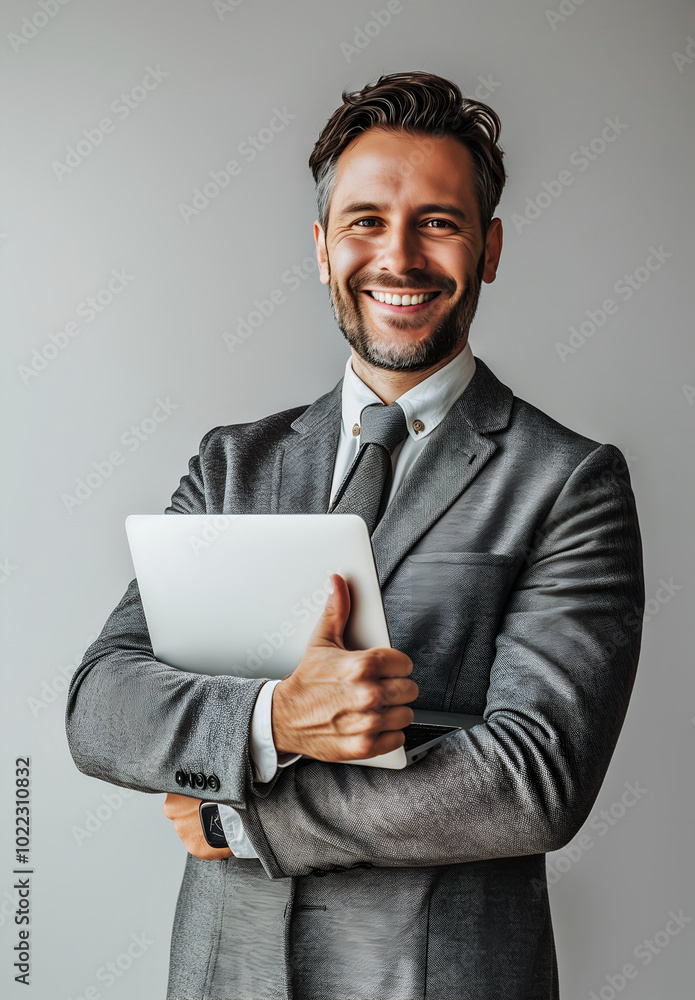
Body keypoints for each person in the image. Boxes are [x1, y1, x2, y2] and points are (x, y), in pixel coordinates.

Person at [66, 71, 645, 1000]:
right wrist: (269, 720)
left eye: (439, 222)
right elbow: (102, 705)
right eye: (366, 220)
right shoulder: (231, 466)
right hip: (225, 977)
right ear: (323, 246)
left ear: (488, 249)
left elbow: (530, 780)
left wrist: (243, 822)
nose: (400, 257)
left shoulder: (568, 481)